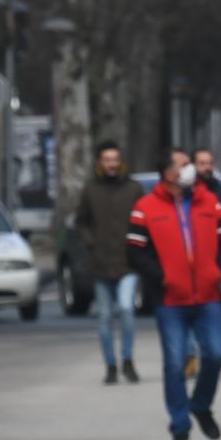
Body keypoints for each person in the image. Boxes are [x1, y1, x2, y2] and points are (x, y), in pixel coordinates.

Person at [130, 149, 221, 440]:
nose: (190, 169)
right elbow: (135, 251)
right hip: (170, 301)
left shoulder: (210, 202)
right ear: (168, 173)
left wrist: (220, 271)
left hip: (208, 296)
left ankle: (201, 404)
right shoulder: (145, 207)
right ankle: (180, 427)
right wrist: (161, 277)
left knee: (215, 354)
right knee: (175, 364)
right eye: (184, 165)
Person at [67, 141, 149, 386]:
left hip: (128, 262)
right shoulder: (91, 189)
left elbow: (145, 219)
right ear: (100, 163)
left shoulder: (133, 189)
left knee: (126, 308)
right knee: (103, 316)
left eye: (115, 159)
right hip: (101, 263)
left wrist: (139, 244)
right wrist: (91, 242)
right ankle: (110, 365)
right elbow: (81, 221)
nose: (112, 164)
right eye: (107, 160)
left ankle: (128, 359)